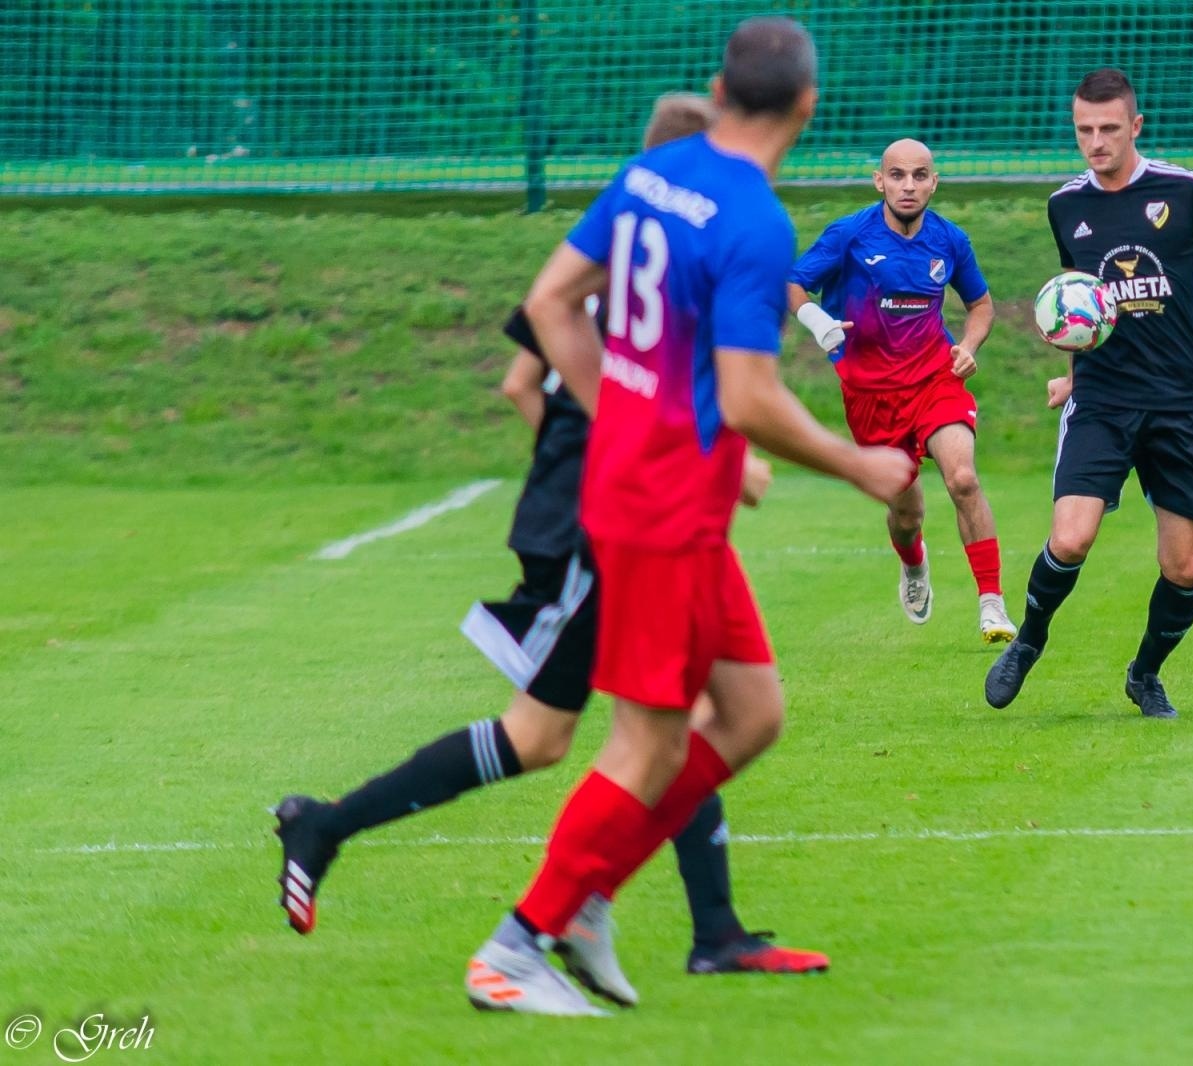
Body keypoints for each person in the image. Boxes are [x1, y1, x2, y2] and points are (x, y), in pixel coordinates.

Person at [271, 94, 827, 1011]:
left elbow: (527, 377)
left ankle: (676, 922)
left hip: (621, 504)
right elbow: (552, 379)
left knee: (676, 714)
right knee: (614, 730)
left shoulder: (615, 247)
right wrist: (615, 448)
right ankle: (373, 847)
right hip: (605, 521)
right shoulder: (673, 250)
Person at [464, 17, 914, 1016]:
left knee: (752, 713)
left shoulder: (650, 172)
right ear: (807, 106)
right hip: (662, 507)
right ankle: (515, 947)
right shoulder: (753, 222)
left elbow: (549, 303)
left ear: (719, 88)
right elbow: (748, 397)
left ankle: (584, 900)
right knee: (648, 745)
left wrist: (623, 410)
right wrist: (857, 463)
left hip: (661, 495)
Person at [984, 67, 1193, 717]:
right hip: (1102, 400)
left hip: (1180, 403)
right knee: (1071, 538)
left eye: (1108, 129)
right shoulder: (1066, 205)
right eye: (1083, 130)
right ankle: (1029, 640)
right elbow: (1085, 304)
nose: (1095, 142)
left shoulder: (1185, 193)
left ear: (1136, 127)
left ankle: (1144, 673)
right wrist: (1070, 372)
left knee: (1185, 567)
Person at [788, 140, 1016, 644]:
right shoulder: (849, 234)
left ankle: (992, 604)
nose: (907, 186)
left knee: (963, 478)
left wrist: (969, 345)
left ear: (934, 182)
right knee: (907, 514)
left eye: (918, 176)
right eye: (897, 176)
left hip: (936, 378)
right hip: (870, 395)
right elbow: (792, 285)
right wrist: (818, 321)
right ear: (880, 181)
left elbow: (980, 307)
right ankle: (913, 565)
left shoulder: (950, 241)